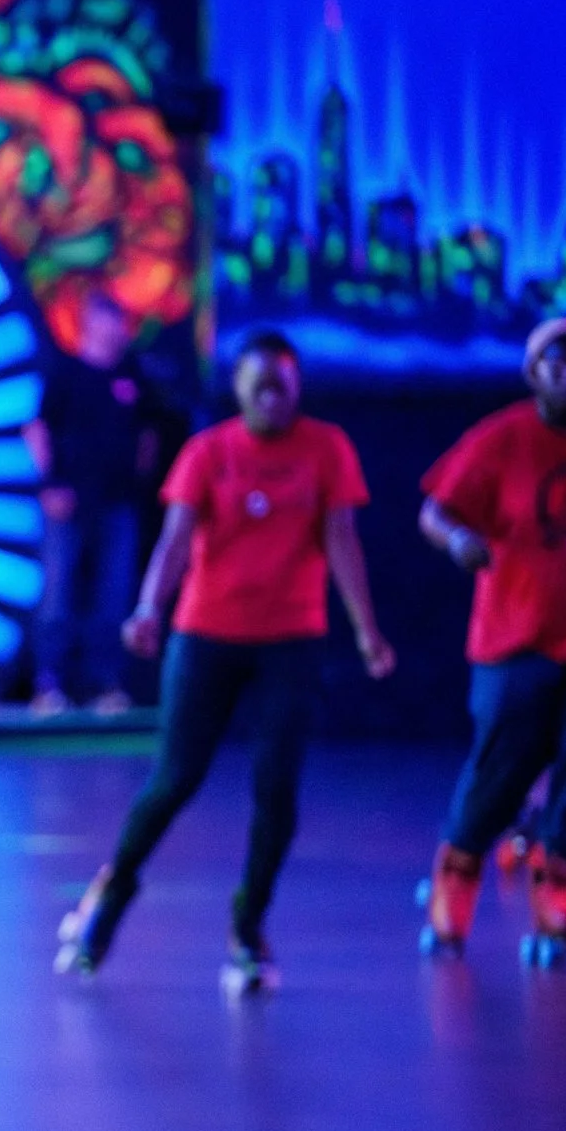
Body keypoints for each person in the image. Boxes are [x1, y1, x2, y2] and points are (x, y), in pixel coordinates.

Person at [56, 330, 394, 992]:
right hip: (207, 634)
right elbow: (176, 539)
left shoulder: (326, 449)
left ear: (297, 387)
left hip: (289, 638)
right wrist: (149, 609)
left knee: (276, 789)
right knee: (175, 779)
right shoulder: (209, 452)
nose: (272, 396)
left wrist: (367, 632)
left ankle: (249, 924)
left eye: (283, 384)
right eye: (259, 384)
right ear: (239, 389)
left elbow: (342, 540)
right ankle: (110, 898)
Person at [416, 316, 566, 968]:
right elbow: (435, 510)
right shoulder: (504, 438)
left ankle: (558, 894)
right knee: (502, 769)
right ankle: (456, 878)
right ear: (533, 374)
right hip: (516, 639)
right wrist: (460, 539)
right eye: (559, 363)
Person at [27, 292, 155, 714]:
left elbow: (148, 433)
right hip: (67, 499)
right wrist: (50, 484)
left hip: (118, 502)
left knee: (114, 595)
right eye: (111, 320)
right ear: (92, 323)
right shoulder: (65, 372)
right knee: (58, 591)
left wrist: (138, 478)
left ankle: (106, 685)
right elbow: (38, 429)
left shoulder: (132, 375)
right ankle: (50, 685)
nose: (120, 330)